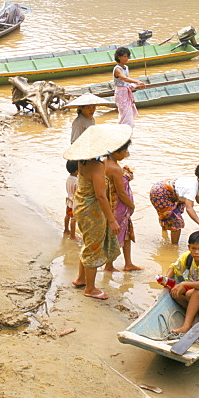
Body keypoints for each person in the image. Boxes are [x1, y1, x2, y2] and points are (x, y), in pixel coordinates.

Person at [63, 123, 132, 301]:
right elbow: (101, 197)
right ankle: (91, 288)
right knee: (93, 246)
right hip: (91, 210)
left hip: (81, 206)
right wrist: (112, 220)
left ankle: (81, 279)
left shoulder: (83, 162)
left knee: (88, 243)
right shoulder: (97, 166)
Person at [149, 161, 199, 245]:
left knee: (174, 213)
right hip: (160, 193)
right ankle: (174, 247)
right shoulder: (192, 187)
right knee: (176, 222)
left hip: (169, 191)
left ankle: (165, 234)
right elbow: (189, 208)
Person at [165, 230, 199, 335]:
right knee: (175, 292)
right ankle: (194, 314)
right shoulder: (188, 256)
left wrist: (184, 284)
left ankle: (188, 324)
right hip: (193, 286)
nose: (196, 252)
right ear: (189, 247)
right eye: (193, 248)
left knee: (191, 293)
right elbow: (174, 267)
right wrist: (166, 279)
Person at [104, 138, 139, 272]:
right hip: (118, 206)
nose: (126, 153)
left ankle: (128, 263)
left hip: (112, 204)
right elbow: (121, 193)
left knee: (126, 233)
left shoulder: (104, 163)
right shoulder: (115, 168)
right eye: (125, 151)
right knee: (117, 234)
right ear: (117, 152)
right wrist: (132, 205)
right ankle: (109, 265)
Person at [112, 47, 146, 127]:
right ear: (119, 57)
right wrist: (137, 81)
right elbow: (125, 78)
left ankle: (123, 129)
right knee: (125, 114)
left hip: (126, 92)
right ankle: (125, 129)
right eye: (124, 56)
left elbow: (127, 82)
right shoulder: (117, 69)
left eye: (127, 56)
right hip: (121, 94)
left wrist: (137, 85)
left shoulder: (126, 67)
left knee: (127, 113)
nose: (126, 58)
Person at [64, 160, 78, 239]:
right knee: (73, 219)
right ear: (76, 171)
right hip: (74, 202)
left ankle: (66, 229)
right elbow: (78, 192)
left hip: (68, 200)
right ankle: (73, 236)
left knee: (67, 215)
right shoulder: (77, 181)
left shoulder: (68, 178)